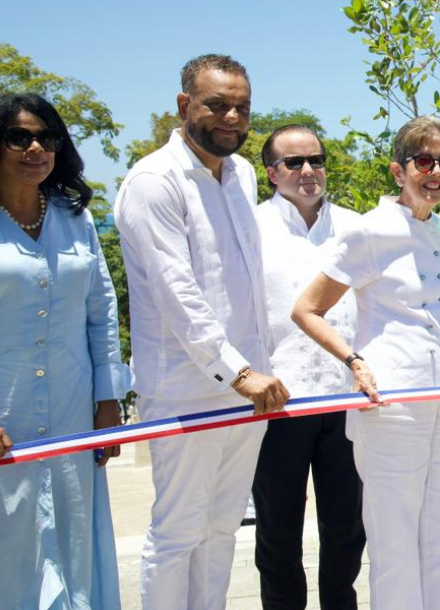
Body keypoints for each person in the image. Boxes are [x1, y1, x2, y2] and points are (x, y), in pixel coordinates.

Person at [115, 54, 290, 609]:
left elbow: (250, 286)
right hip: (187, 391)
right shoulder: (152, 181)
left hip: (249, 389)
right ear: (184, 105)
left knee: (220, 532)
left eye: (242, 106)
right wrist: (237, 371)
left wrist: (258, 368)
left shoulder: (239, 174)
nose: (232, 117)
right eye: (217, 105)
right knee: (177, 534)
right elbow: (177, 294)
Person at [292, 115, 440, 610]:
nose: (435, 172)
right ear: (398, 170)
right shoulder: (368, 231)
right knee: (394, 538)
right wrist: (354, 360)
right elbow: (306, 309)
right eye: (423, 161)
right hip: (393, 400)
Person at [0, 93, 128, 609]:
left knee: (73, 538)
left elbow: (101, 311)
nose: (35, 147)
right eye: (19, 136)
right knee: (3, 548)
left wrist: (109, 400)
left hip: (72, 413)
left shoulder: (77, 218)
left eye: (46, 137)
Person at [252, 125, 366, 609]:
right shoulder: (249, 229)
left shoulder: (358, 226)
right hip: (280, 402)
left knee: (347, 529)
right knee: (278, 533)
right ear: (271, 172)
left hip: (347, 398)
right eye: (294, 162)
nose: (307, 171)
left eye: (316, 160)